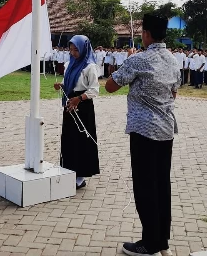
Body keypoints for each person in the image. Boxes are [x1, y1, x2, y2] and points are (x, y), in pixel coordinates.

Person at [105, 13, 180, 256]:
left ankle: (149, 242)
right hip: (166, 130)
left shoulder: (139, 60)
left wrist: (128, 61)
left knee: (145, 186)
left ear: (146, 34)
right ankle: (161, 240)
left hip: (144, 131)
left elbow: (110, 85)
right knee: (161, 185)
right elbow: (174, 92)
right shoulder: (173, 59)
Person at [54, 35, 100, 189]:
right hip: (69, 103)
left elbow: (94, 89)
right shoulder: (69, 64)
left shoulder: (89, 66)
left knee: (81, 140)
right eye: (71, 49)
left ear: (84, 49)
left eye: (76, 50)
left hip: (83, 105)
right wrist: (61, 85)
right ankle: (68, 170)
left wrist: (79, 98)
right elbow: (70, 82)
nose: (73, 53)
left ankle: (80, 177)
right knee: (69, 138)